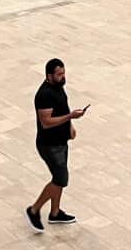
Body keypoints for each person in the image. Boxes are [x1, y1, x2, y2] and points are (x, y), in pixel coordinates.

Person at [26, 58, 86, 233]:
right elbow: (46, 122)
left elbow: (63, 108)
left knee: (59, 178)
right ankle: (34, 209)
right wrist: (70, 118)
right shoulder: (44, 95)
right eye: (59, 74)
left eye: (64, 73)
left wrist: (70, 127)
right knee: (60, 179)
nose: (63, 77)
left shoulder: (58, 86)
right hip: (49, 145)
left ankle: (55, 212)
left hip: (61, 141)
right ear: (49, 75)